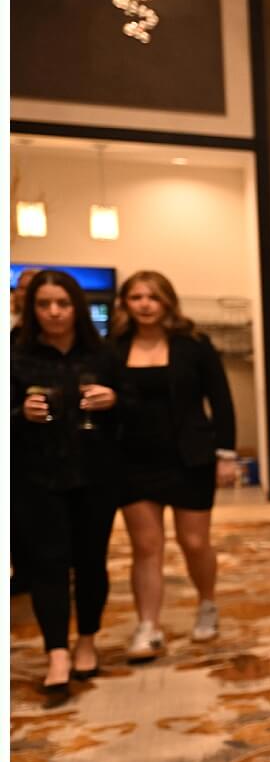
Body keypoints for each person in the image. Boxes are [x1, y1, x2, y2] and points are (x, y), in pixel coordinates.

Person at [110, 271, 238, 660]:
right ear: (125, 303)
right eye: (136, 297)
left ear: (167, 302)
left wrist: (226, 454)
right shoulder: (113, 348)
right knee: (146, 546)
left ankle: (207, 602)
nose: (145, 304)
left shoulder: (194, 345)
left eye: (153, 297)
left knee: (194, 542)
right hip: (133, 459)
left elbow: (221, 400)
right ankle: (148, 626)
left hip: (190, 458)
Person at [12, 270, 122, 700]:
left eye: (62, 303)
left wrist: (114, 400)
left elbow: (134, 409)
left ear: (77, 306)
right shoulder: (15, 354)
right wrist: (20, 413)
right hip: (36, 476)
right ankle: (56, 652)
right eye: (44, 304)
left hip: (96, 475)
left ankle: (87, 640)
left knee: (91, 562)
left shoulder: (104, 354)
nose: (54, 312)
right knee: (47, 564)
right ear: (32, 308)